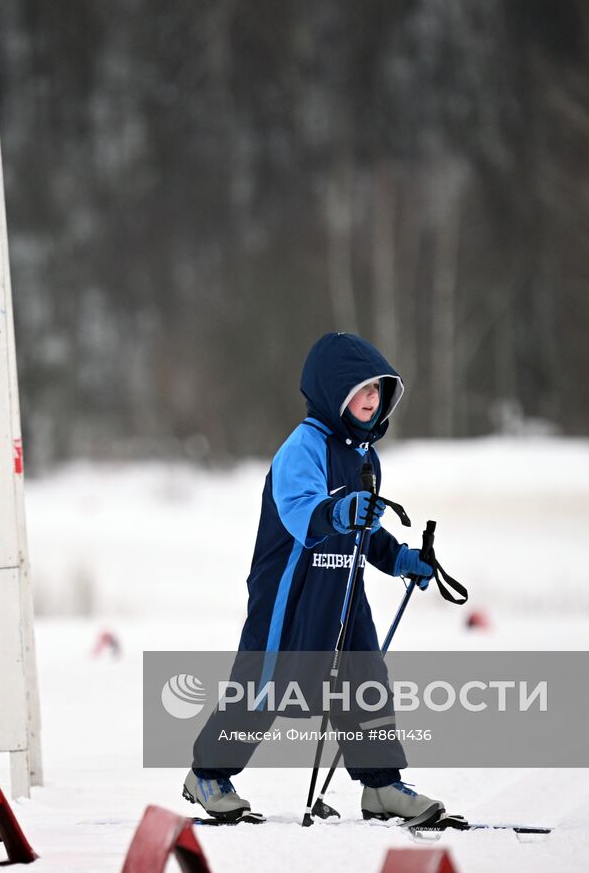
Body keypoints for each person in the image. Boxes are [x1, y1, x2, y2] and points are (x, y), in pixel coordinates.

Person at [182, 331, 445, 825]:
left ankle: (382, 786)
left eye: (379, 392)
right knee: (267, 683)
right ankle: (208, 774)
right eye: (362, 390)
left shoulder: (365, 455)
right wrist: (342, 512)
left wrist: (401, 557)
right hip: (292, 591)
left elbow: (365, 529)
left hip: (344, 590)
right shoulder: (302, 448)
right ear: (332, 392)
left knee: (365, 679)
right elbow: (303, 513)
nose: (372, 401)